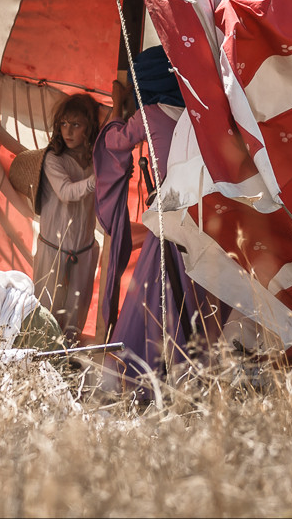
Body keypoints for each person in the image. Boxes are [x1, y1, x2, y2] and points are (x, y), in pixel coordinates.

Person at [94, 46, 223, 397]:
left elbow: (114, 143)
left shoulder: (148, 115)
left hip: (169, 216)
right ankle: (193, 377)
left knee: (153, 299)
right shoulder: (200, 112)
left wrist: (118, 112)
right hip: (203, 218)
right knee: (196, 297)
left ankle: (143, 378)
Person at [32, 93, 102, 345]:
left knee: (76, 310)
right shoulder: (53, 159)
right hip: (53, 250)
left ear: (90, 128)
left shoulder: (95, 159)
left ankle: (68, 360)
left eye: (76, 125)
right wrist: (101, 177)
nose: (68, 131)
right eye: (63, 124)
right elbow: (66, 192)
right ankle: (42, 359)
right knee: (46, 309)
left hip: (83, 249)